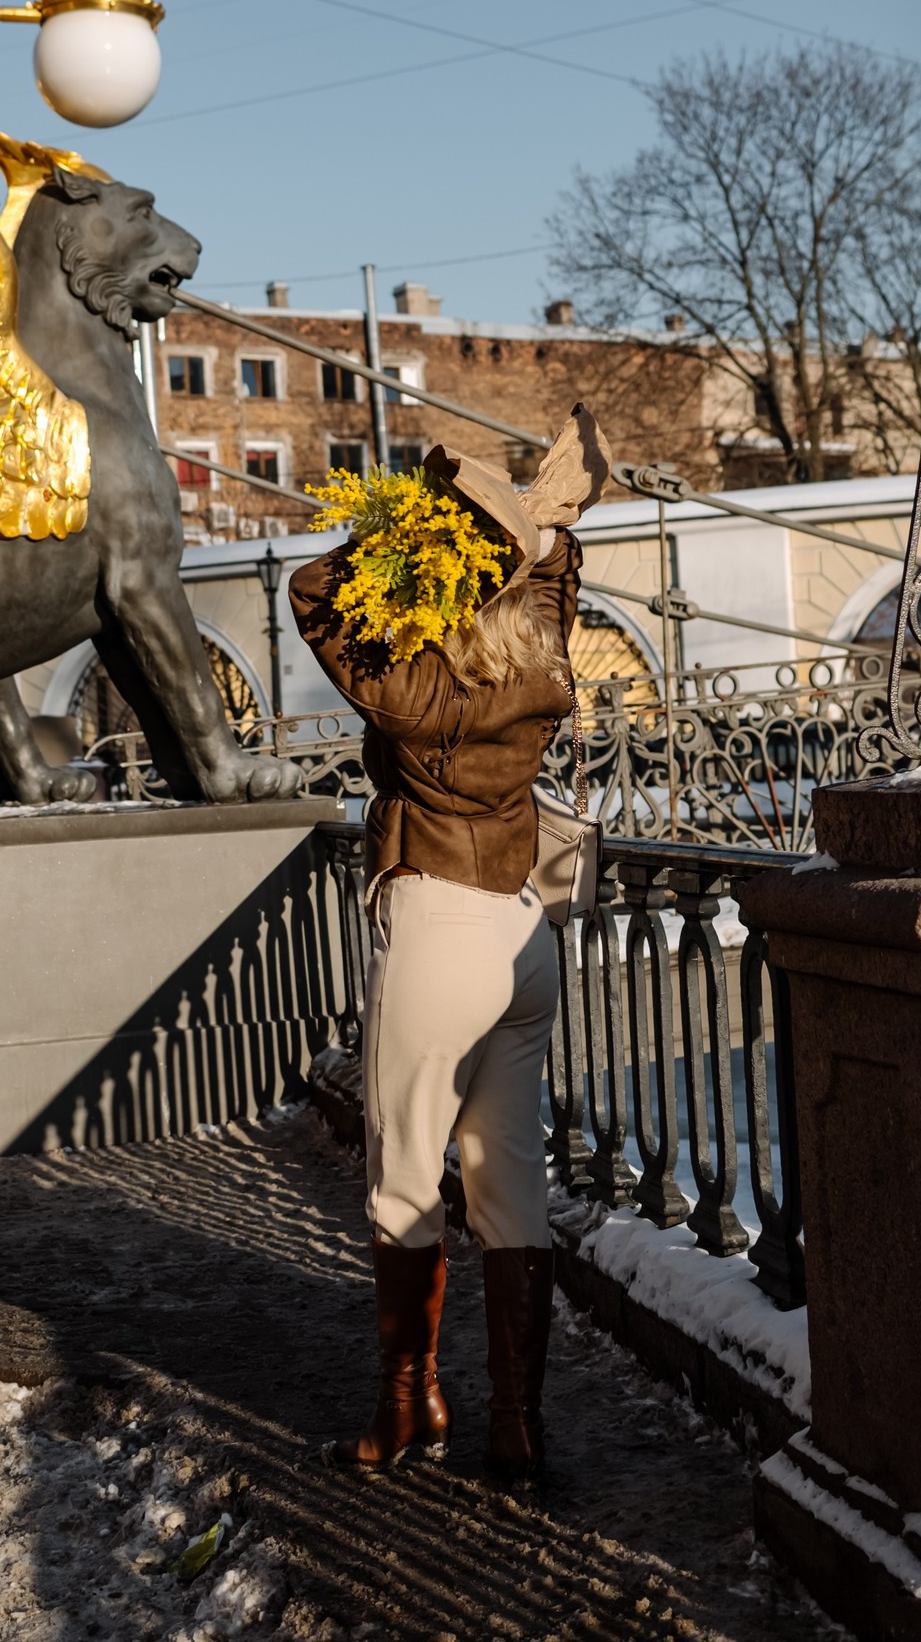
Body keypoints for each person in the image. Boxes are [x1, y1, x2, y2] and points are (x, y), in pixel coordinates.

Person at [289, 406, 610, 1479]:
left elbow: (310, 592)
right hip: (525, 933)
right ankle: (516, 1426)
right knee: (511, 1183)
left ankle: (407, 1406)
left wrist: (410, 534)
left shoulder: (413, 683)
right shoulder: (542, 660)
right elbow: (555, 579)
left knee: (402, 1182)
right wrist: (533, 529)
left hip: (435, 925)